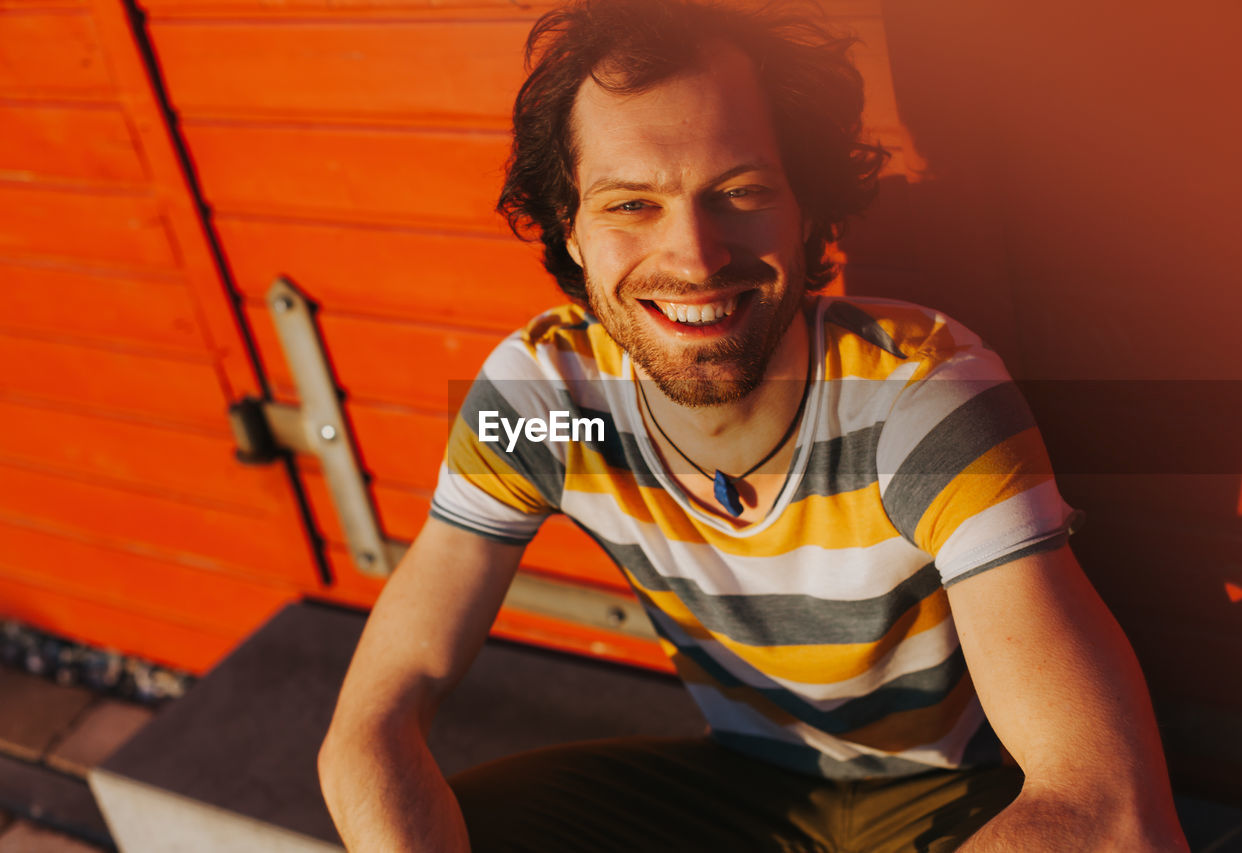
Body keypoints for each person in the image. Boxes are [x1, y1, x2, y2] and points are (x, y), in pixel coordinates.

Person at [318, 1, 1190, 850]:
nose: (694, 258)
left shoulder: (924, 398)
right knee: (459, 825)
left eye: (739, 191)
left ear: (807, 210)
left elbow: (1110, 811)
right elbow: (374, 718)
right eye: (630, 204)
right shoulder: (539, 403)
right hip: (740, 785)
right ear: (570, 231)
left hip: (955, 794)